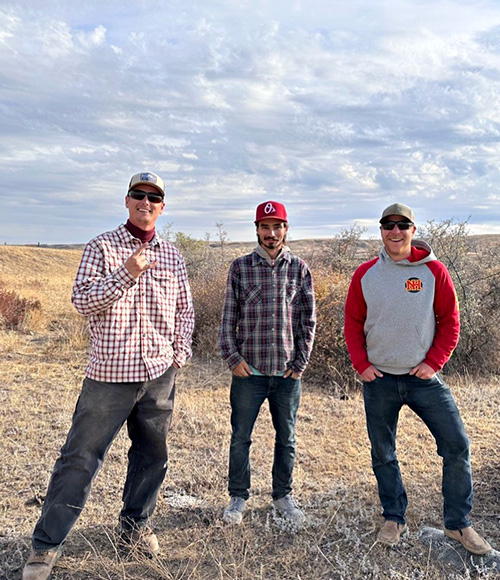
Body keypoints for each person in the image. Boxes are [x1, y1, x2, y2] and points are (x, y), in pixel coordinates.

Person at [22, 172, 195, 580]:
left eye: (154, 198)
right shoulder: (103, 246)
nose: (146, 202)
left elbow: (185, 311)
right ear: (127, 200)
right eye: (139, 195)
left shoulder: (172, 255)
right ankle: (45, 546)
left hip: (158, 374)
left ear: (163, 207)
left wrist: (178, 355)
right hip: (109, 375)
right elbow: (82, 301)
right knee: (79, 459)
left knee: (152, 456)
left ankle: (135, 528)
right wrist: (127, 273)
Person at [344, 202, 491, 554]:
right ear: (381, 230)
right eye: (387, 225)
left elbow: (450, 322)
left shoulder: (434, 272)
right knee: (383, 452)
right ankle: (393, 517)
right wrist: (361, 364)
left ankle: (458, 524)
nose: (395, 232)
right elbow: (352, 323)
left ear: (413, 229)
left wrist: (434, 362)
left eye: (402, 225)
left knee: (457, 445)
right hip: (379, 380)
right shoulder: (365, 274)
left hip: (422, 379)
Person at [218, 201, 316, 525]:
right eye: (265, 227)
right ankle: (237, 497)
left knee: (286, 437)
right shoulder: (240, 267)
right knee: (240, 437)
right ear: (257, 229)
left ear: (286, 229)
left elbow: (308, 321)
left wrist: (300, 363)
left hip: (287, 373)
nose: (271, 233)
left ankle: (282, 496)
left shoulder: (300, 269)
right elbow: (227, 318)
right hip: (250, 373)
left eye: (277, 227)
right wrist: (233, 358)